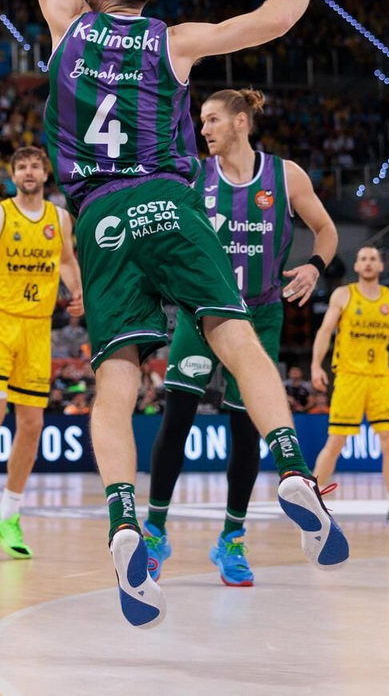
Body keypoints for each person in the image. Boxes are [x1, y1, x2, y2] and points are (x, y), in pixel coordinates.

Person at [0, 0, 341, 628]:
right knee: (234, 335)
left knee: (116, 376)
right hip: (170, 203)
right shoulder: (173, 41)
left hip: (99, 221)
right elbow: (275, 21)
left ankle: (124, 517)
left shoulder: (66, 25)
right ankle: (291, 466)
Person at [144, 88, 338, 585]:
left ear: (240, 122)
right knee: (177, 419)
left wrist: (316, 267)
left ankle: (231, 539)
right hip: (200, 313)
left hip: (261, 314)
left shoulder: (285, 175)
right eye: (200, 121)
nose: (203, 129)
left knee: (244, 432)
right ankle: (155, 532)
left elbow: (326, 229)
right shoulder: (193, 175)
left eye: (211, 120)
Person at [0, 147, 82, 561]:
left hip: (37, 329)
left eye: (35, 166)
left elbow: (68, 261)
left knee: (32, 423)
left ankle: (8, 513)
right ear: (13, 175)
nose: (28, 171)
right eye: (21, 166)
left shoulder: (60, 219)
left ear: (45, 174)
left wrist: (77, 292)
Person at [310, 246, 389, 523]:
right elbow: (325, 331)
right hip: (348, 376)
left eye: (373, 259)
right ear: (356, 266)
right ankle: (312, 502)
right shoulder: (343, 294)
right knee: (336, 441)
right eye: (363, 259)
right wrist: (316, 365)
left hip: (380, 378)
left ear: (381, 266)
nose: (368, 263)